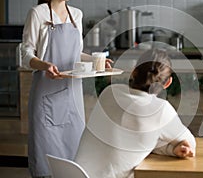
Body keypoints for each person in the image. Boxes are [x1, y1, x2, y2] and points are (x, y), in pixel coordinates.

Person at [21, 0, 111, 177]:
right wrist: (45, 65)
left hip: (72, 94)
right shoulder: (38, 13)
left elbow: (76, 53)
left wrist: (98, 61)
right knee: (46, 152)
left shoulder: (76, 14)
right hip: (46, 91)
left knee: (74, 150)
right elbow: (25, 55)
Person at [74, 48, 196, 178]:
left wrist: (170, 149)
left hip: (74, 174)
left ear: (133, 71)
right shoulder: (160, 110)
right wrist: (171, 149)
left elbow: (141, 141)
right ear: (167, 83)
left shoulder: (109, 92)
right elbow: (189, 144)